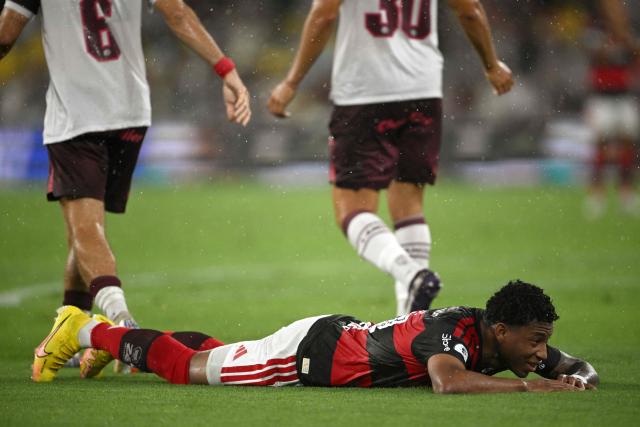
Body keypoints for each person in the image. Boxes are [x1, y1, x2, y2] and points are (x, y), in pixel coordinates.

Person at [0, 0, 250, 370]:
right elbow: (177, 14)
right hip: (130, 112)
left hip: (78, 114)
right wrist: (225, 69)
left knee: (86, 227)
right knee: (86, 228)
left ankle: (122, 324)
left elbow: (6, 35)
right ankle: (71, 324)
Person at [267, 0, 514, 316]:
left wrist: (291, 82)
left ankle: (411, 274)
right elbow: (470, 10)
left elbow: (323, 14)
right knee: (409, 205)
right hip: (422, 91)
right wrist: (491, 64)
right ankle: (409, 323)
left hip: (365, 92)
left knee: (352, 209)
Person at [32, 280, 599, 393]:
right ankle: (88, 328)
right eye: (535, 341)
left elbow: (570, 365)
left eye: (543, 341)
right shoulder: (453, 338)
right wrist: (532, 390)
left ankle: (119, 351)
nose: (540, 352)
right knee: (191, 371)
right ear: (502, 331)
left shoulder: (498, 335)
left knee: (220, 353)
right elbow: (448, 384)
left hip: (333, 336)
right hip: (309, 358)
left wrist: (574, 375)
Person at [582, 0, 640, 218]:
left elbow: (635, 55)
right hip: (601, 97)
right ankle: (597, 193)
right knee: (601, 145)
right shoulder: (595, 29)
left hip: (624, 95)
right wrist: (616, 39)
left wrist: (625, 37)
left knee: (627, 144)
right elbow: (596, 56)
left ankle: (626, 192)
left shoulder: (629, 30)